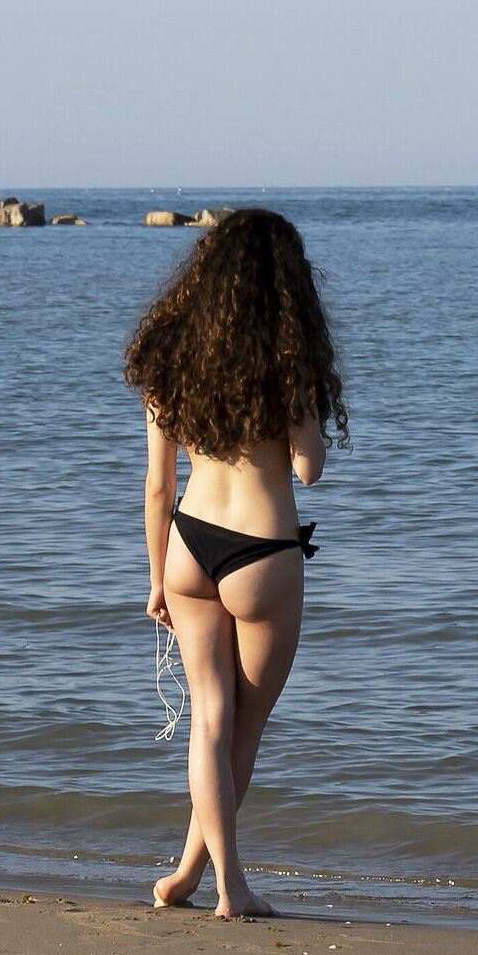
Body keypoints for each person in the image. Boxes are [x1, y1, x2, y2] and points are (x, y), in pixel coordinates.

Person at [124, 209, 348, 918]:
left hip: (190, 544)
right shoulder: (290, 363)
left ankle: (189, 875)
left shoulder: (169, 357)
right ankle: (233, 889)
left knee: (209, 722)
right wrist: (306, 415)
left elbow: (158, 487)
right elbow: (309, 470)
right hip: (264, 554)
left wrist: (158, 576)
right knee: (240, 731)